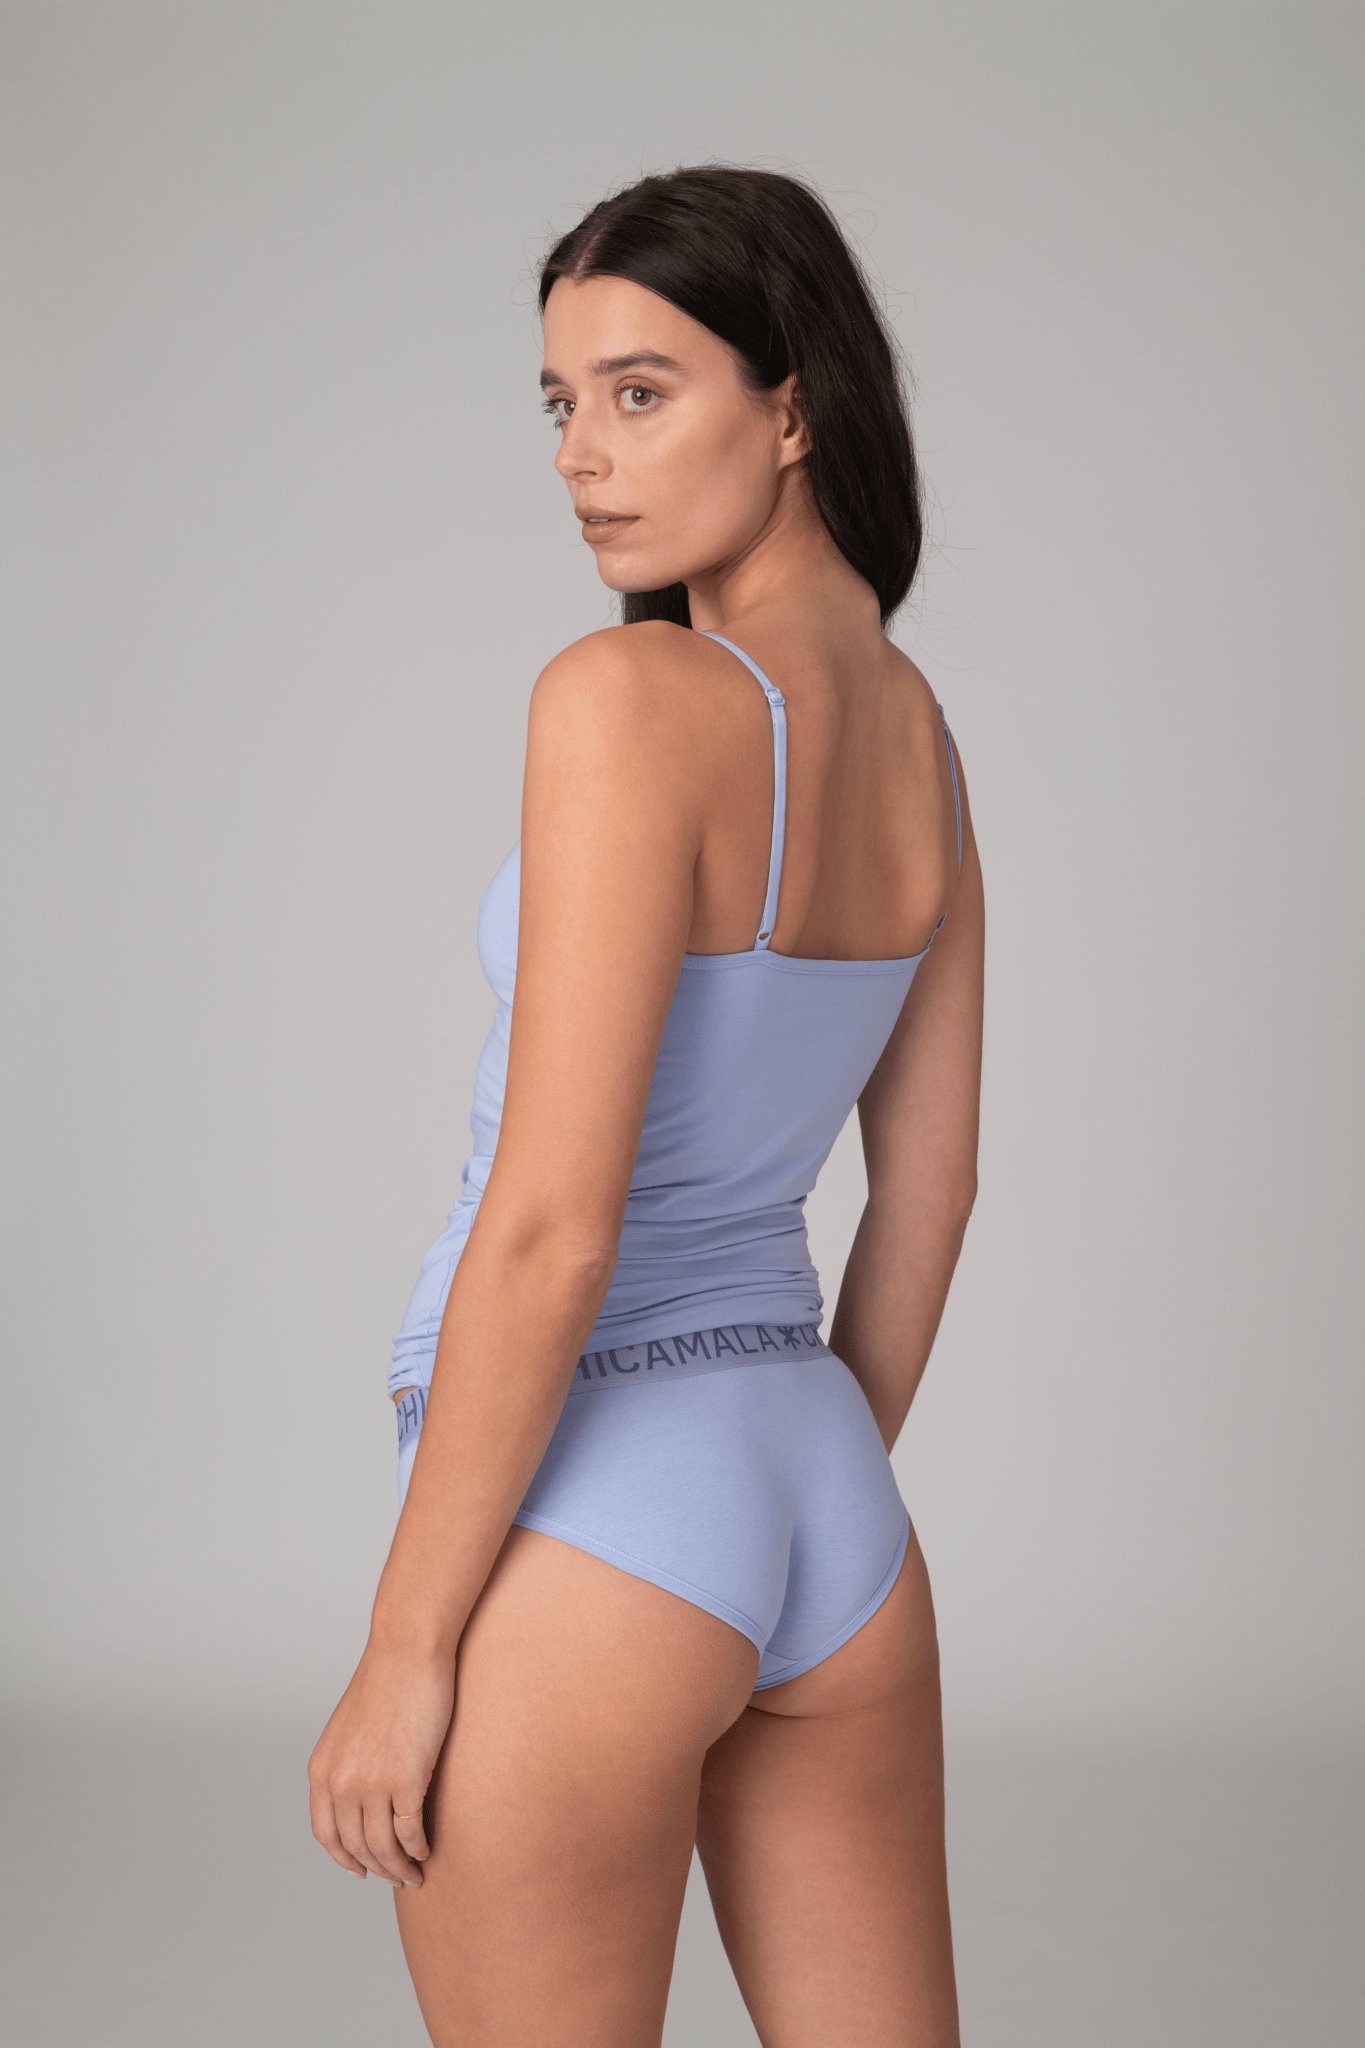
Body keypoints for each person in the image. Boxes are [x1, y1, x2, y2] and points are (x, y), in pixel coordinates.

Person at [309, 164, 983, 2048]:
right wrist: (794, 1495)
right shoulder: (922, 738)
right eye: (560, 401)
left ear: (794, 407)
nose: (579, 456)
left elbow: (553, 1228)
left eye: (640, 390)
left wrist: (405, 1651)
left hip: (595, 1497)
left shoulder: (629, 698)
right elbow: (932, 1198)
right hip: (825, 1495)